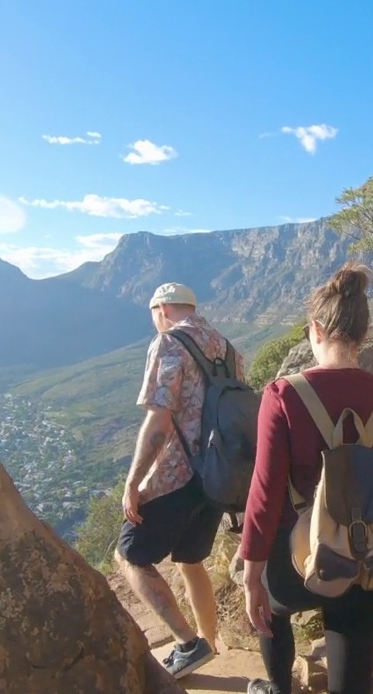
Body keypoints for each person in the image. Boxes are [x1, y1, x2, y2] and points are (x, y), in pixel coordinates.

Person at [239, 264, 373, 694]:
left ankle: (278, 688)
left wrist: (250, 575)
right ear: (364, 334)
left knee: (272, 614)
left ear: (316, 329)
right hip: (363, 557)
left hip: (297, 567)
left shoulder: (282, 395)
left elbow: (264, 493)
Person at [113, 281, 246, 680]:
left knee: (130, 555)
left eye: (154, 315)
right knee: (190, 559)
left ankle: (189, 644)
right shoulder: (228, 348)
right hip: (218, 474)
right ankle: (210, 642)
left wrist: (133, 482)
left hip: (179, 475)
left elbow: (159, 418)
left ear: (163, 310)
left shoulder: (169, 343)